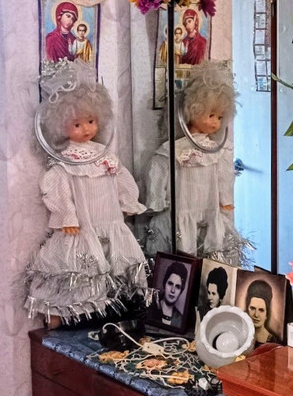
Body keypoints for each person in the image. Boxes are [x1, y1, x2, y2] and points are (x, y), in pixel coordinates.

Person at [23, 61, 146, 323]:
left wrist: (127, 201)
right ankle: (59, 315)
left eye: (91, 121)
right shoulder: (66, 160)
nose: (87, 129)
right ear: (60, 126)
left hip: (111, 221)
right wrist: (67, 214)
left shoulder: (104, 155)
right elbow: (57, 185)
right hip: (83, 223)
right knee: (75, 267)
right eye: (77, 124)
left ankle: (115, 311)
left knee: (117, 264)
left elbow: (120, 177)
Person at [148, 61, 247, 261]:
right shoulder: (174, 150)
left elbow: (224, 177)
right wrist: (157, 199)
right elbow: (158, 172)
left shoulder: (217, 150)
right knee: (182, 253)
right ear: (192, 110)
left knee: (211, 253)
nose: (215, 122)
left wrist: (226, 200)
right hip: (181, 210)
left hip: (209, 209)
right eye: (211, 115)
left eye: (220, 117)